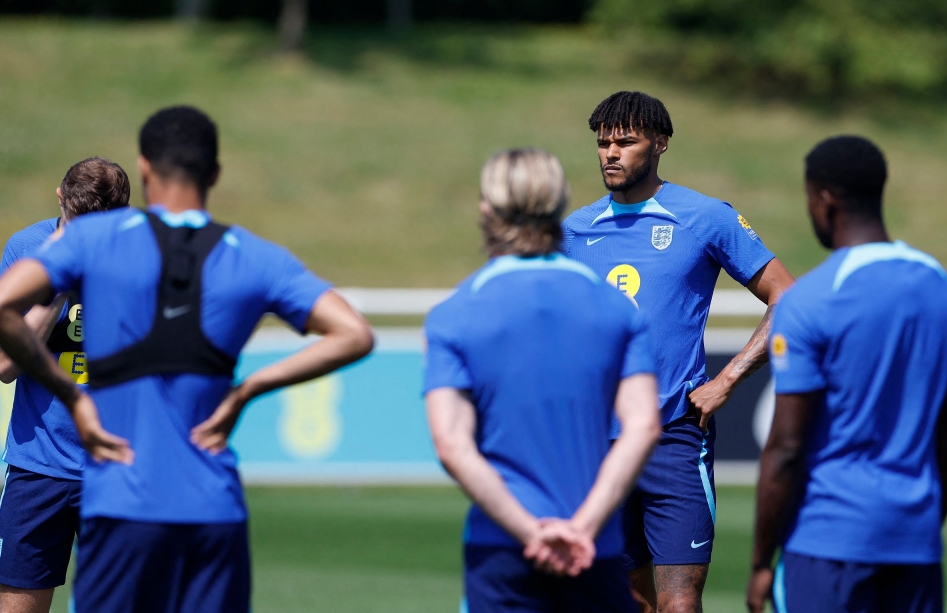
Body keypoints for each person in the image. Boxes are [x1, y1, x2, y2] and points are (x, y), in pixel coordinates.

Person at [0, 106, 374, 613]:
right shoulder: (256, 255)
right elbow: (354, 333)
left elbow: (5, 306)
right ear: (216, 173)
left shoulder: (93, 241)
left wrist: (70, 395)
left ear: (145, 169)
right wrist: (248, 390)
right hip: (209, 500)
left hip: (122, 492)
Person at [561, 90, 795, 612]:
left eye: (626, 141)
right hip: (597, 445)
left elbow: (788, 295)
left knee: (680, 604)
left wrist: (729, 378)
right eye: (602, 143)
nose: (611, 153)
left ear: (660, 143)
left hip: (675, 439)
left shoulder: (705, 217)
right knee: (622, 600)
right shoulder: (573, 231)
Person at [746, 136, 947, 613]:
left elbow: (786, 448)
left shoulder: (811, 300)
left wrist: (760, 562)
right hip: (914, 543)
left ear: (824, 200)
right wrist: (922, 526)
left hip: (827, 542)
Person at [424, 148, 662, 613]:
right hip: (596, 546)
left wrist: (531, 532)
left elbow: (452, 445)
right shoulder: (615, 307)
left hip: (501, 547)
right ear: (560, 205)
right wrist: (583, 527)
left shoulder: (454, 314)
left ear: (486, 209)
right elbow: (643, 427)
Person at [0, 157, 131, 613]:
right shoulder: (27, 250)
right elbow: (4, 365)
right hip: (40, 468)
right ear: (60, 200)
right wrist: (56, 283)